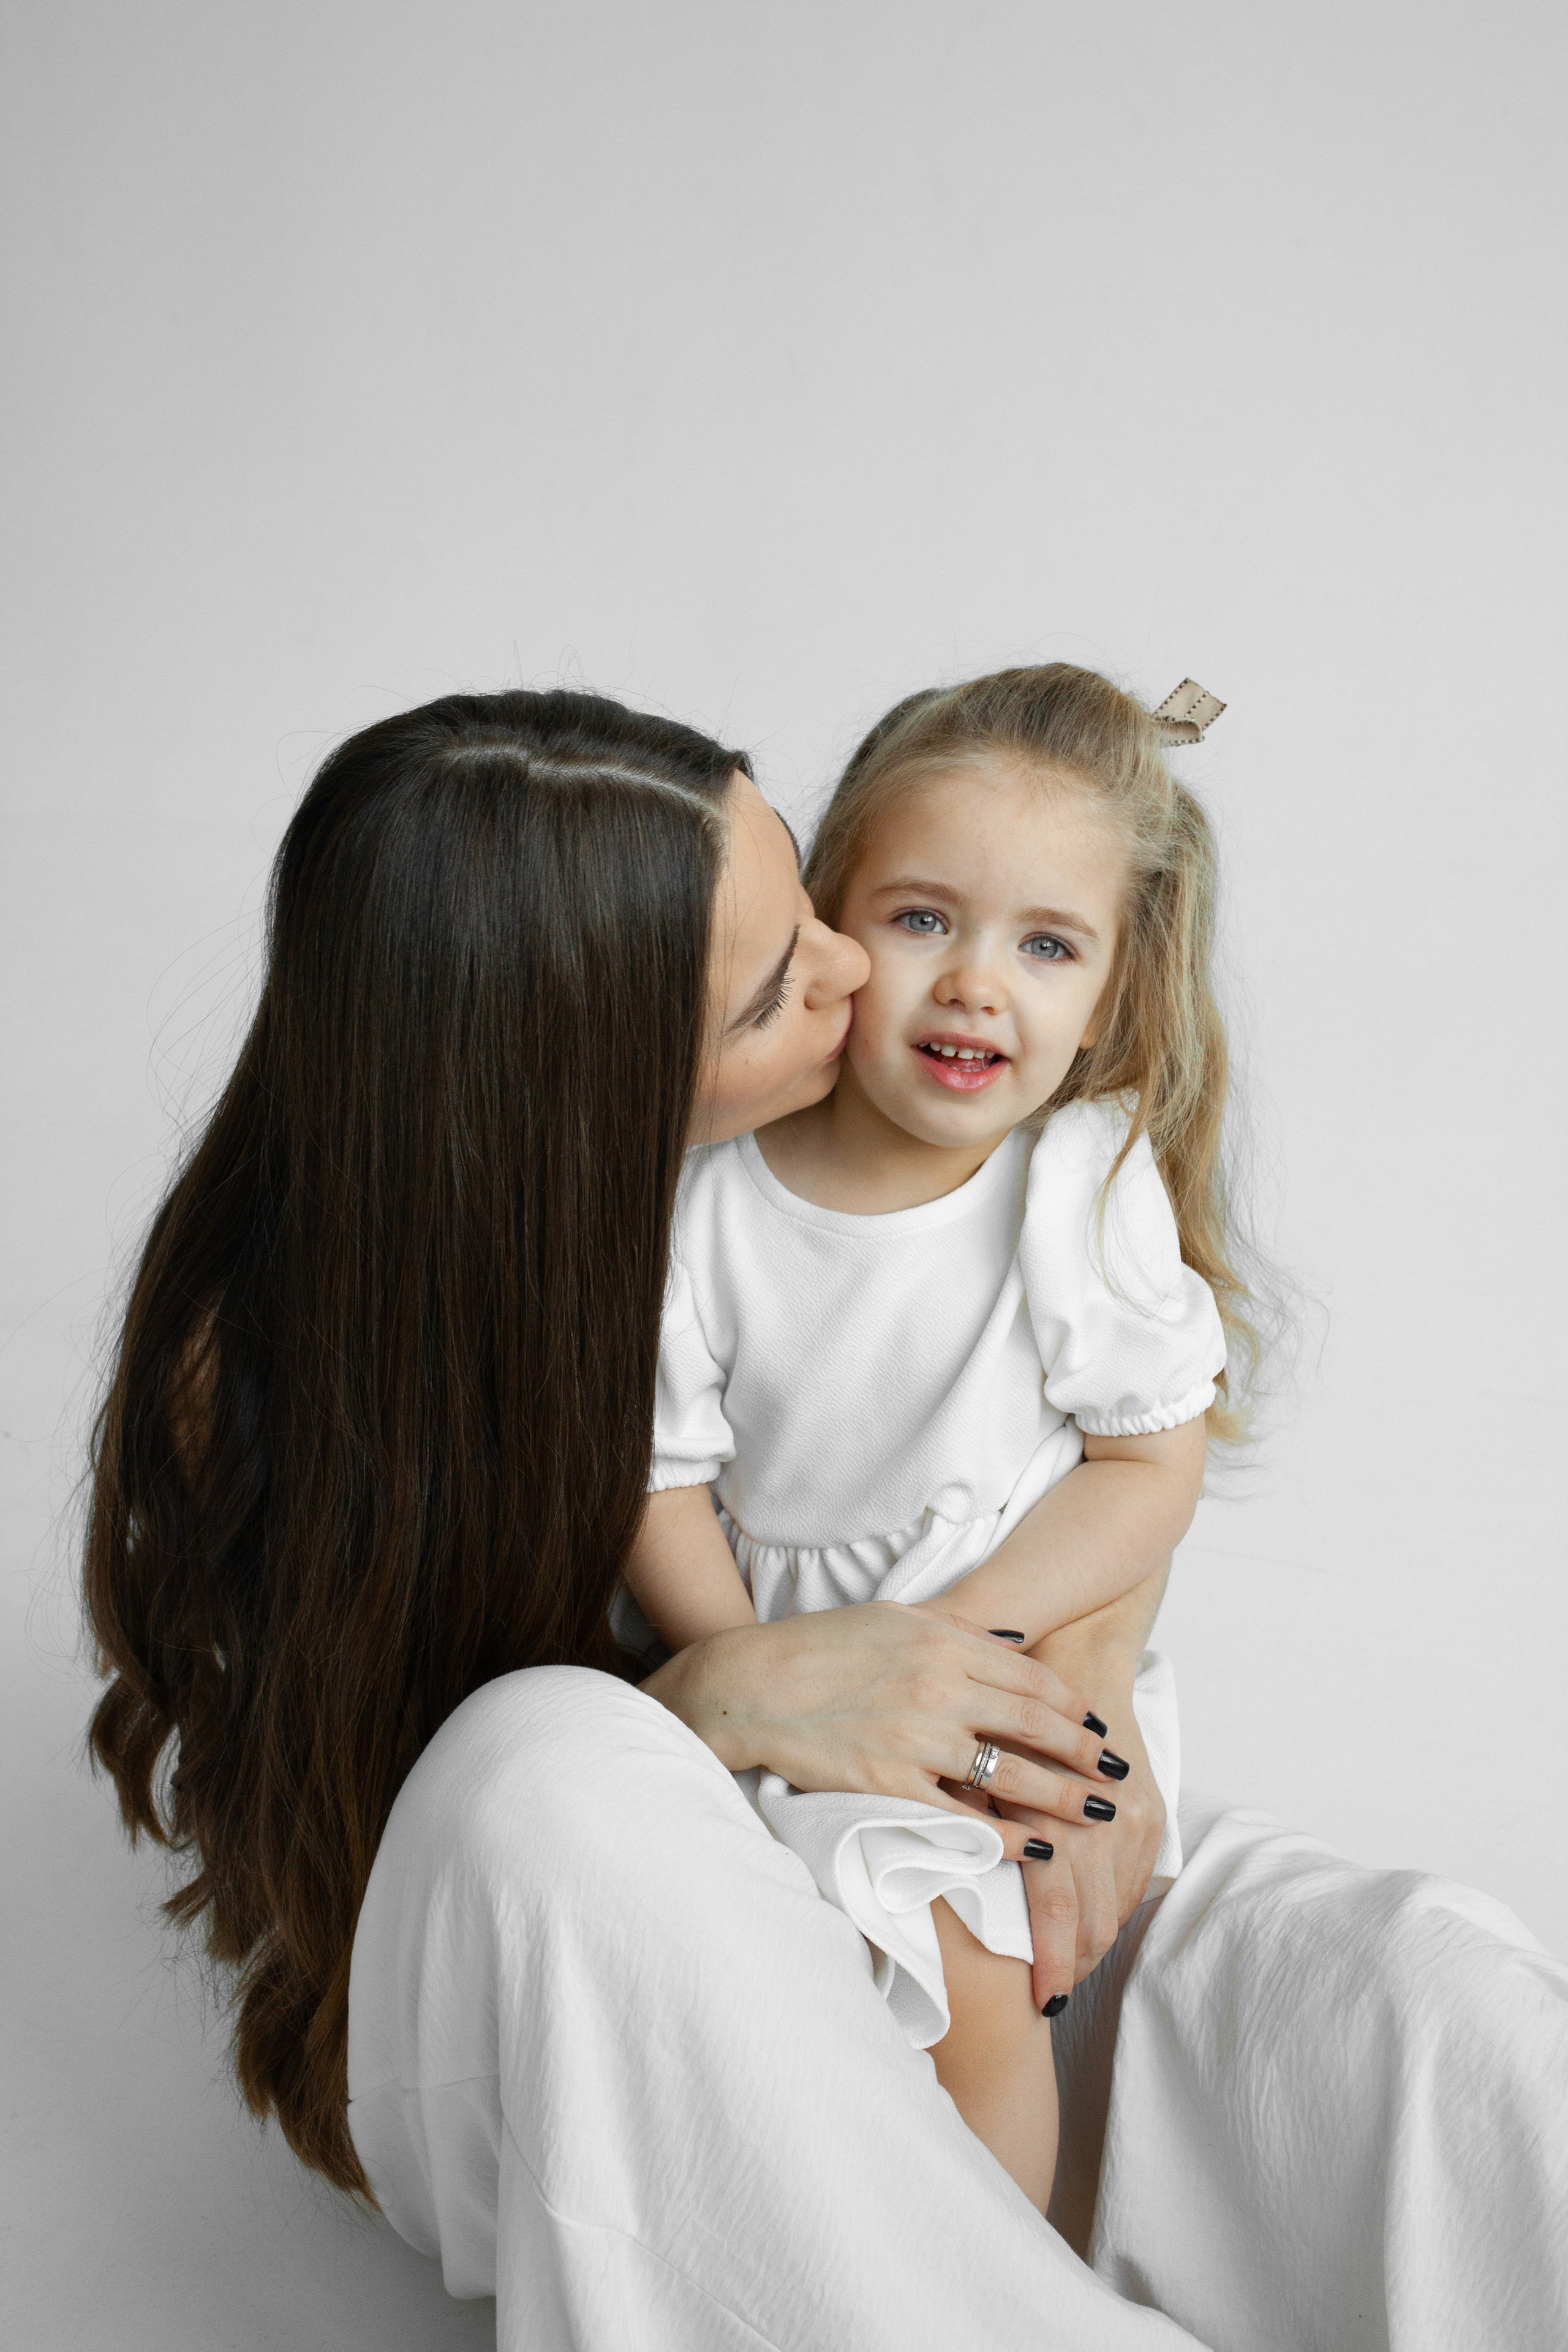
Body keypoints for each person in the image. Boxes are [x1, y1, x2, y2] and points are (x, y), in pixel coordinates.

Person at [83, 686, 1568, 2352]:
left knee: (1433, 2003)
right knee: (560, 1758)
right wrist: (724, 1688)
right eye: (793, 973)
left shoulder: (1019, 1186)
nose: (870, 969)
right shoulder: (348, 1343)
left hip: (941, 1833)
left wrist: (1063, 1691)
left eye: (810, 904)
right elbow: (485, 1834)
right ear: (602, 1082)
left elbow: (1119, 1460)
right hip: (606, 1984)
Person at [622, 665, 1238, 2211]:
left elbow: (1148, 1462)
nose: (976, 985)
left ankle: (1006, 2291)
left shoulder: (1075, 1184)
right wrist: (775, 1677)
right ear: (827, 929)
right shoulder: (708, 1192)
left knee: (969, 1989)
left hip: (1008, 1679)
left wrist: (948, 1650)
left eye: (1045, 946)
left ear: (1111, 990)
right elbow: (654, 1482)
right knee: (788, 2023)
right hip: (772, 1676)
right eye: (920, 921)